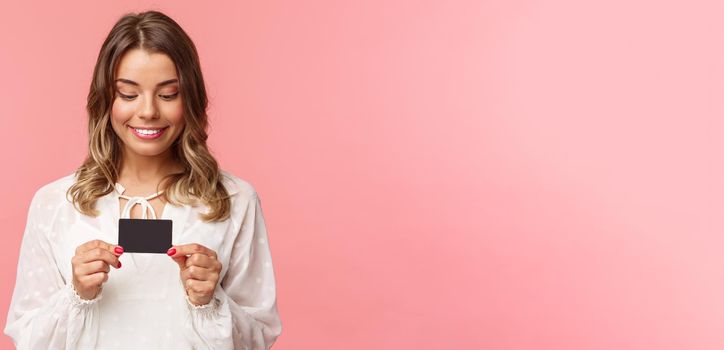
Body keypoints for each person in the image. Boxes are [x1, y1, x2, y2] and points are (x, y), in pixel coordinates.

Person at [3, 10, 282, 349]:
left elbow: (259, 338)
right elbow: (29, 340)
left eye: (167, 94)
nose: (148, 111)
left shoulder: (234, 200)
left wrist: (209, 301)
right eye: (129, 93)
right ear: (106, 99)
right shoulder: (56, 203)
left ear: (190, 98)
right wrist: (77, 294)